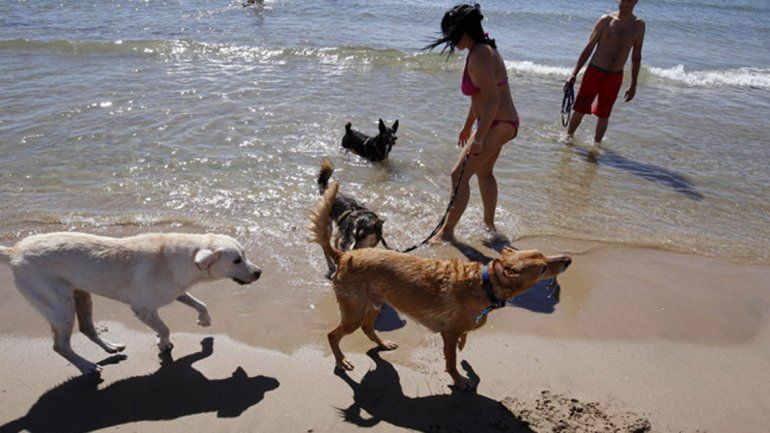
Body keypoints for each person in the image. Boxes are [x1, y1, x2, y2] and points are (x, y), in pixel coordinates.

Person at [425, 3, 519, 244]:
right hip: (504, 122)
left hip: (498, 122)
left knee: (458, 175)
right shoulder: (483, 49)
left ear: (464, 30)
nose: (449, 39)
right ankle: (490, 228)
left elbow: (493, 101)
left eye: (451, 34)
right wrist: (468, 126)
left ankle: (446, 233)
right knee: (485, 173)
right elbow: (481, 98)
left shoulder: (479, 55)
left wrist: (478, 138)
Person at [565, 0, 645, 149]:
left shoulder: (639, 25)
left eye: (630, 1)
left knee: (604, 113)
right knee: (580, 108)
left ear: (636, 2)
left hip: (615, 76)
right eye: (624, 0)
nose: (626, 4)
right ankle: (568, 139)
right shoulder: (606, 20)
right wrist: (574, 72)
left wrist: (633, 84)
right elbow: (589, 47)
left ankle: (596, 147)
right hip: (595, 70)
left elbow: (636, 56)